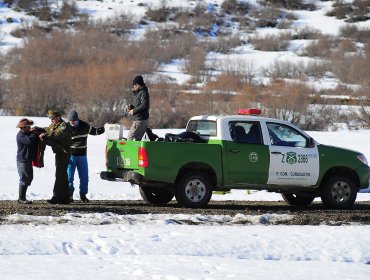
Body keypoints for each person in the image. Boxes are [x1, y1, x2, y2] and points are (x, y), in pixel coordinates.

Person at [67, 109, 105, 203]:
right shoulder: (66, 127)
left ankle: (83, 195)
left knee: (84, 176)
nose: (73, 123)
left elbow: (94, 131)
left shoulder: (84, 126)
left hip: (82, 155)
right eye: (71, 121)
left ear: (77, 119)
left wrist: (101, 129)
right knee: (69, 176)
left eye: (74, 121)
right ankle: (70, 194)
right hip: (71, 155)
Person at [37, 111, 72, 204]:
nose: (51, 120)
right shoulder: (54, 124)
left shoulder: (63, 125)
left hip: (64, 153)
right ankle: (66, 198)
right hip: (60, 152)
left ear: (58, 117)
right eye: (50, 118)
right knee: (63, 175)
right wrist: (39, 129)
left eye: (52, 118)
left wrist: (46, 135)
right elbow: (48, 129)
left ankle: (56, 197)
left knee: (60, 175)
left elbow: (58, 135)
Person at [16, 118, 38, 204]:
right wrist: (33, 133)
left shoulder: (26, 133)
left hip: (28, 160)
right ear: (23, 127)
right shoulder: (20, 135)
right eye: (28, 126)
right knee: (24, 179)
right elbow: (29, 141)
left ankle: (22, 197)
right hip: (22, 160)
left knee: (29, 178)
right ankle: (21, 198)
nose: (30, 127)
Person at [127, 75, 150, 141]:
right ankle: (136, 151)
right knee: (136, 139)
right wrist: (131, 107)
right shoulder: (139, 93)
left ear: (139, 85)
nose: (134, 86)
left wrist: (133, 111)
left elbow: (145, 105)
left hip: (140, 119)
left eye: (135, 84)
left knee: (130, 138)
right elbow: (138, 104)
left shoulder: (143, 92)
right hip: (138, 119)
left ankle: (130, 151)